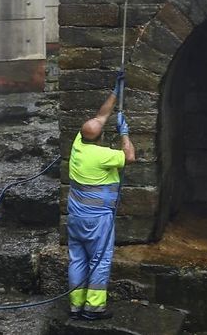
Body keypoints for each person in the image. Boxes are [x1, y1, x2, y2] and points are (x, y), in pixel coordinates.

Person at [66, 72, 136, 321]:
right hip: (97, 221)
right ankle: (94, 308)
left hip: (75, 217)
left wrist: (115, 94)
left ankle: (75, 306)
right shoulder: (103, 156)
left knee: (77, 259)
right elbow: (129, 157)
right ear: (101, 136)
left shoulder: (78, 143)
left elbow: (100, 116)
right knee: (99, 260)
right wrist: (125, 134)